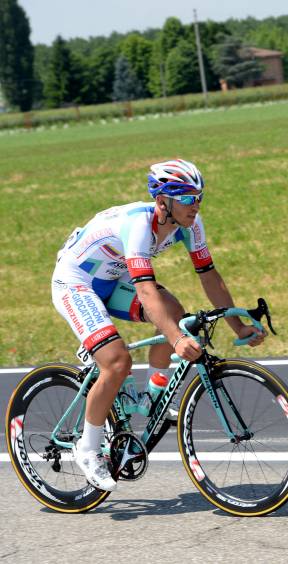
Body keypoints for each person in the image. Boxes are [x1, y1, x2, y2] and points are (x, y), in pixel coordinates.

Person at [51, 158, 264, 491]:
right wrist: (177, 340)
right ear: (164, 201)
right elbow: (146, 291)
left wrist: (238, 326)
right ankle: (88, 449)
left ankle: (153, 398)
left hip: (111, 278)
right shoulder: (138, 225)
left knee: (174, 313)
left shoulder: (191, 224)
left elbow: (208, 275)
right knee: (117, 361)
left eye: (199, 197)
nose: (196, 205)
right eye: (188, 198)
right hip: (76, 283)